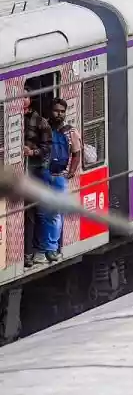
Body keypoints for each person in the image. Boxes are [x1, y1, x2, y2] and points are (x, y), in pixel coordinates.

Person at [30, 98, 80, 265]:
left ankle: (51, 248)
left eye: (62, 111)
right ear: (50, 111)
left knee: (54, 214)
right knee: (43, 213)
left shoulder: (70, 131)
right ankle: (43, 249)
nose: (59, 114)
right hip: (44, 173)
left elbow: (76, 153)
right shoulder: (44, 128)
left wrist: (71, 172)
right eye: (56, 110)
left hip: (59, 176)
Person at [22, 83, 52, 267]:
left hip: (34, 173)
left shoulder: (40, 121)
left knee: (32, 214)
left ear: (30, 99)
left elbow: (47, 149)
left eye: (24, 97)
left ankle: (31, 252)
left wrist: (32, 153)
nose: (21, 101)